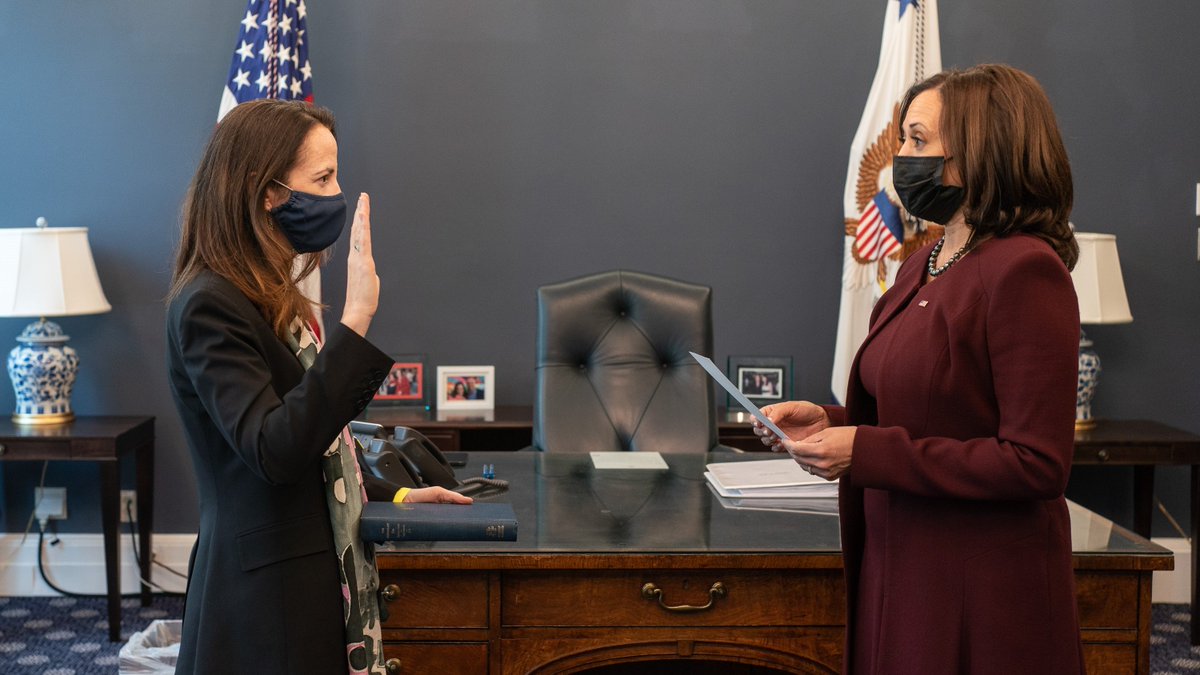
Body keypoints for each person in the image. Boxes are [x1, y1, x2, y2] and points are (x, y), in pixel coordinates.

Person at [752, 64, 1083, 674]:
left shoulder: (1025, 271)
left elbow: (1036, 462)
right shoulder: (927, 258)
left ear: (982, 149)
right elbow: (930, 410)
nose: (900, 158)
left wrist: (865, 452)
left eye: (917, 140)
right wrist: (827, 421)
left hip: (978, 589)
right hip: (899, 558)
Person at [165, 99, 472, 675]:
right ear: (266, 191)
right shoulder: (211, 303)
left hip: (305, 576)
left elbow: (316, 448)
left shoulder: (270, 293)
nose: (337, 195)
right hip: (265, 599)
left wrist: (397, 495)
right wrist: (356, 320)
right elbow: (274, 451)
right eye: (323, 178)